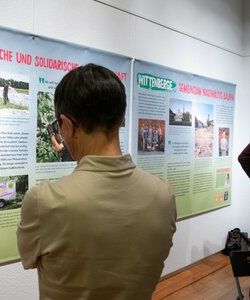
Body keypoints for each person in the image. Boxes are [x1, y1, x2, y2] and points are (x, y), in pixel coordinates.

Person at [17, 64, 176, 300]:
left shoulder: (44, 200)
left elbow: (28, 259)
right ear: (122, 117)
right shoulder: (164, 195)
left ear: (67, 125)